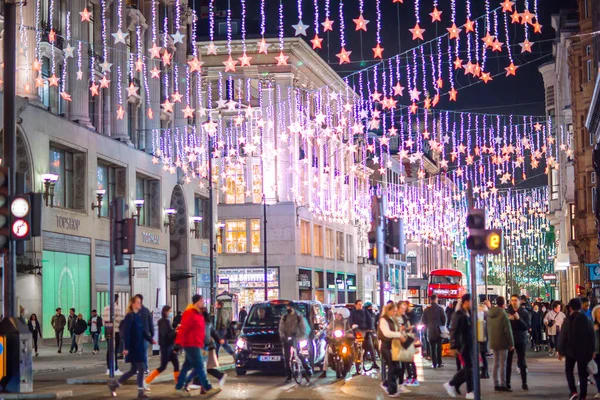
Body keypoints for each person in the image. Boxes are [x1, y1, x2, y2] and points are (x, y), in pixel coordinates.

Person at [107, 295, 155, 400]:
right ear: (133, 304)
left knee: (134, 370)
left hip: (139, 346)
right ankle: (140, 392)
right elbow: (126, 333)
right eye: (138, 302)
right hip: (133, 347)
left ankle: (115, 385)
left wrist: (150, 339)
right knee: (141, 368)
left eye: (140, 302)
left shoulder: (138, 316)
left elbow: (142, 331)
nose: (140, 304)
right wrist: (126, 348)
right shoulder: (130, 316)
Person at [174, 295, 221, 396]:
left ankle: (178, 387)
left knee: (187, 366)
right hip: (191, 344)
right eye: (201, 301)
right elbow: (183, 329)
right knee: (200, 366)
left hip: (196, 344)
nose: (203, 303)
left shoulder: (198, 313)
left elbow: (201, 330)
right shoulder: (190, 313)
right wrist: (178, 344)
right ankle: (208, 387)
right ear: (196, 302)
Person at [558, 298, 595, 400]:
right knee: (583, 374)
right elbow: (592, 335)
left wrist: (560, 350)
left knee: (569, 370)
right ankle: (583, 395)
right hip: (584, 350)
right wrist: (592, 350)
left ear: (570, 308)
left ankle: (573, 391)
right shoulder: (586, 319)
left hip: (570, 350)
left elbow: (563, 336)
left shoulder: (568, 320)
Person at [443, 294, 474, 399]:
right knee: (469, 368)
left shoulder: (468, 313)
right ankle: (468, 390)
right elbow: (453, 331)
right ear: (466, 302)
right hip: (463, 345)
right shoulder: (458, 314)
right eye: (471, 301)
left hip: (468, 344)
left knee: (469, 368)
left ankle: (454, 384)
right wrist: (453, 346)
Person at [379, 302, 409, 397]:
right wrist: (399, 335)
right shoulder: (383, 320)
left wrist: (401, 331)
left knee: (397, 367)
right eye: (394, 311)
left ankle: (387, 384)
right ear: (389, 310)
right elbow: (386, 333)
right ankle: (392, 390)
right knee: (392, 366)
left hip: (393, 345)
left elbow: (395, 331)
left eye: (396, 311)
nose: (395, 313)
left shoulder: (393, 319)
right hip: (386, 346)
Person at [146, 305, 180, 385]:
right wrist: (176, 332)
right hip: (166, 347)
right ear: (166, 312)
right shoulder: (164, 322)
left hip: (169, 347)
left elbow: (168, 334)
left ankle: (179, 383)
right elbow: (167, 335)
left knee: (176, 363)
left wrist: (174, 331)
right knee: (163, 367)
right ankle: (147, 381)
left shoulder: (164, 321)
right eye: (170, 311)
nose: (171, 313)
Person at [279, 302, 311, 383]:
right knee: (287, 358)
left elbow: (303, 328)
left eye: (289, 307)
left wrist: (300, 337)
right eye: (287, 307)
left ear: (293, 308)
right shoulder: (285, 317)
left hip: (296, 338)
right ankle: (289, 375)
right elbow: (281, 328)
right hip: (287, 339)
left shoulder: (299, 316)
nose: (288, 309)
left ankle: (308, 369)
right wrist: (283, 336)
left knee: (299, 354)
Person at [487, 296, 514, 392]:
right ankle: (503, 384)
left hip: (493, 341)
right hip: (502, 341)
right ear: (503, 303)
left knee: (496, 363)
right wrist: (511, 343)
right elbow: (507, 330)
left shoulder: (490, 313)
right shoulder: (503, 313)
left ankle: (495, 383)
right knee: (503, 364)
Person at [506, 294, 530, 391]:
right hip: (510, 339)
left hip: (521, 339)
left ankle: (524, 383)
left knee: (522, 361)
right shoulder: (507, 311)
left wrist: (518, 319)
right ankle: (507, 382)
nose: (514, 302)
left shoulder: (524, 312)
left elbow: (526, 326)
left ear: (519, 301)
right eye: (512, 300)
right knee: (508, 362)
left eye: (515, 300)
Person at [348, 299, 380, 373]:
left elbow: (370, 320)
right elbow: (350, 321)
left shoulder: (365, 311)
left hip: (366, 331)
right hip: (358, 331)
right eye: (359, 304)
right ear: (355, 305)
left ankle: (374, 362)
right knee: (357, 348)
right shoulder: (352, 312)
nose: (360, 306)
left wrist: (370, 329)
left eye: (361, 304)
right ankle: (356, 364)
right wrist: (352, 325)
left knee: (371, 346)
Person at [421, 294, 447, 369]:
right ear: (436, 299)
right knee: (439, 347)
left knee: (432, 347)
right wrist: (441, 325)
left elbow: (423, 320)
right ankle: (439, 362)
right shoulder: (440, 309)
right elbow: (444, 319)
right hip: (439, 330)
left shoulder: (427, 309)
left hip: (430, 330)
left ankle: (434, 363)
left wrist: (428, 325)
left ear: (430, 300)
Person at [103, 294, 124, 376]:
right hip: (116, 330)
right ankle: (115, 368)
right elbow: (120, 320)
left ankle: (108, 368)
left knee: (109, 349)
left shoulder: (105, 308)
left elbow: (103, 320)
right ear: (116, 299)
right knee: (115, 350)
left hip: (108, 330)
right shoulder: (117, 308)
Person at [137, 294, 154, 374]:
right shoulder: (146, 310)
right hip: (146, 335)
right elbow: (151, 323)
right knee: (144, 352)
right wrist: (152, 334)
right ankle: (145, 368)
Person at [477, 304, 489, 379]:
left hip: (483, 338)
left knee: (483, 356)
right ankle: (485, 371)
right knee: (483, 356)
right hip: (483, 338)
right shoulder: (486, 317)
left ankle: (485, 371)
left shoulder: (483, 318)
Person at [591, 305, 600, 398]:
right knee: (597, 372)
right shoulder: (593, 325)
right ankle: (599, 390)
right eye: (598, 312)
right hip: (596, 352)